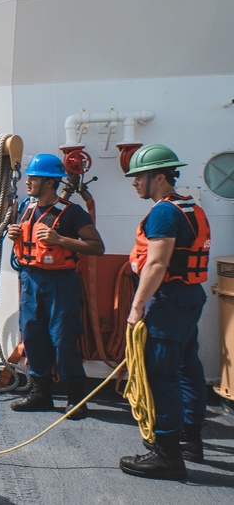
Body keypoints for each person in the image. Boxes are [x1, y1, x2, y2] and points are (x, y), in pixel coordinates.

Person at [119, 145, 211, 481]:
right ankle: (190, 438)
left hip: (169, 300)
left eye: (138, 177)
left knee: (161, 374)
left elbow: (156, 263)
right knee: (187, 366)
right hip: (188, 297)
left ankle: (167, 454)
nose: (134, 184)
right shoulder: (190, 207)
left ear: (158, 177)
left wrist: (137, 305)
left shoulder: (163, 213)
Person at [6, 154, 104, 419]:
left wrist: (60, 239)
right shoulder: (26, 206)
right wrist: (13, 234)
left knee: (63, 339)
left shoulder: (72, 213)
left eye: (34, 178)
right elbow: (23, 239)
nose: (28, 182)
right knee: (32, 334)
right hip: (30, 279)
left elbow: (97, 247)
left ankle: (76, 399)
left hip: (61, 283)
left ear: (50, 183)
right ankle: (40, 394)